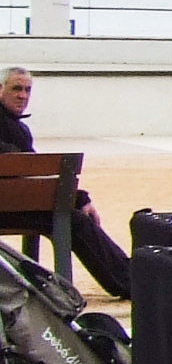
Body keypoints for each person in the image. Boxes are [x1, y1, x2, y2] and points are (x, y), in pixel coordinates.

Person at [0, 67, 128, 299]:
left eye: (27, 90)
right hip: (8, 207)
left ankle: (127, 276)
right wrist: (78, 199)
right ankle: (128, 281)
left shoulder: (14, 126)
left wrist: (76, 197)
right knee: (74, 221)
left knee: (70, 215)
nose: (22, 96)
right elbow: (30, 176)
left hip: (11, 203)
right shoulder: (12, 127)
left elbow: (30, 177)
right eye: (16, 89)